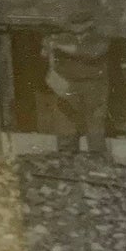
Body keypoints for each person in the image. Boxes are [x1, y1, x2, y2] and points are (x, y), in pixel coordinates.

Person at [41, 18, 112, 157]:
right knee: (65, 117)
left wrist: (58, 45)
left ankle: (97, 155)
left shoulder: (99, 38)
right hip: (68, 84)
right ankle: (66, 153)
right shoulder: (62, 37)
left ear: (89, 24)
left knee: (95, 119)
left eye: (80, 22)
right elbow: (45, 54)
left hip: (94, 85)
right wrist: (46, 47)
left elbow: (91, 53)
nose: (76, 26)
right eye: (74, 22)